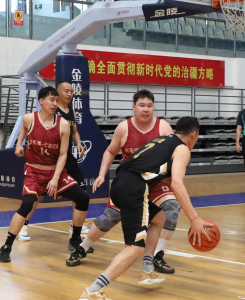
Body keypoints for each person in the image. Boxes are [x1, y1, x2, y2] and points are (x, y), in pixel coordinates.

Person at [77, 117, 208, 300]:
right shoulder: (182, 149)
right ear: (194, 135)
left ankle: (147, 269)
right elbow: (177, 184)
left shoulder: (162, 140)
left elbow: (157, 173)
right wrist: (194, 219)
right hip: (135, 188)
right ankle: (93, 292)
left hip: (120, 182)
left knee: (159, 219)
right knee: (135, 248)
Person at [67, 90, 181, 277]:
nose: (146, 109)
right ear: (134, 107)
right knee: (109, 217)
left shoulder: (163, 127)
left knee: (172, 208)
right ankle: (82, 247)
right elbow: (110, 152)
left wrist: (172, 178)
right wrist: (102, 174)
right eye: (142, 106)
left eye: (149, 106)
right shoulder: (123, 128)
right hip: (131, 184)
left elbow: (174, 156)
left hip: (154, 183)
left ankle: (156, 255)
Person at [0, 86, 90, 263]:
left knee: (82, 198)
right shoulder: (29, 118)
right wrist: (19, 144)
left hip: (55, 172)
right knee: (27, 205)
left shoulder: (63, 124)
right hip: (34, 172)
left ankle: (75, 239)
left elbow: (63, 155)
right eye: (51, 100)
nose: (55, 103)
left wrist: (55, 179)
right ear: (41, 101)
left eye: (56, 100)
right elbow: (24, 128)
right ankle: (7, 246)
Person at [17, 81, 90, 245]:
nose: (69, 94)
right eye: (66, 91)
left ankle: (75, 226)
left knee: (81, 192)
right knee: (37, 197)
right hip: (49, 160)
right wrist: (19, 144)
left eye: (71, 91)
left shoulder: (71, 112)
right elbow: (25, 125)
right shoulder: (47, 112)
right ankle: (23, 226)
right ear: (57, 93)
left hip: (66, 156)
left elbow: (74, 131)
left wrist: (78, 143)